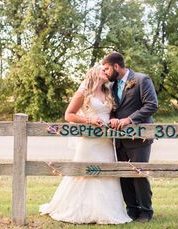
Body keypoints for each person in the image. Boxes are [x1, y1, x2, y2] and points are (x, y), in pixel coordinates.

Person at [39, 65, 132, 224]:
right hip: (88, 141)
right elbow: (69, 115)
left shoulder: (108, 92)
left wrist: (113, 120)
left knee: (106, 172)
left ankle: (106, 211)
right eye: (103, 70)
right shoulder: (83, 93)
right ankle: (76, 209)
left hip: (105, 141)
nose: (106, 72)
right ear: (95, 73)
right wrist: (89, 120)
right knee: (83, 174)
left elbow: (111, 114)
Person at [102, 52, 158, 222]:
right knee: (124, 175)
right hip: (119, 139)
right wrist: (111, 119)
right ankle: (131, 209)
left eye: (106, 69)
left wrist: (129, 119)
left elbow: (151, 105)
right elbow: (113, 109)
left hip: (139, 137)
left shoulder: (142, 80)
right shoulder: (111, 87)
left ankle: (146, 211)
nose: (105, 72)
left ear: (116, 66)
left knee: (138, 174)